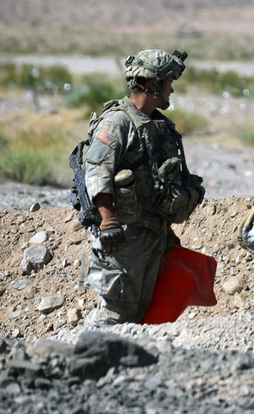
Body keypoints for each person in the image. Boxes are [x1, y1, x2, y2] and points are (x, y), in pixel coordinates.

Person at [82, 48, 205, 325]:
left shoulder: (158, 124)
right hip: (122, 240)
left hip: (152, 234)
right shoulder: (118, 121)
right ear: (153, 84)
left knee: (144, 314)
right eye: (169, 82)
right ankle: (88, 357)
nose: (172, 90)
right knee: (116, 314)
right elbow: (97, 172)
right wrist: (108, 221)